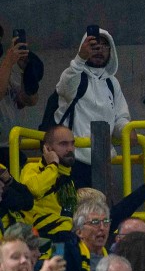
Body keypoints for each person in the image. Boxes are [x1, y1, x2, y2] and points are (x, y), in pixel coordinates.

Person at [53, 27, 131, 188]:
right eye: (93, 44)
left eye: (104, 45)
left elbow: (120, 117)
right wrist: (80, 58)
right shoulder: (73, 75)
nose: (99, 49)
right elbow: (64, 88)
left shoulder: (112, 82)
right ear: (84, 46)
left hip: (102, 162)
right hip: (73, 161)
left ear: (111, 50)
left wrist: (126, 130)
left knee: (101, 211)